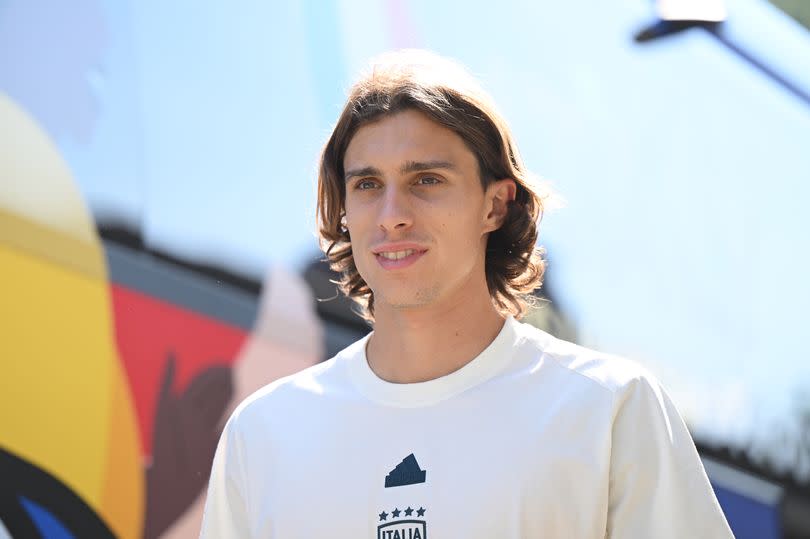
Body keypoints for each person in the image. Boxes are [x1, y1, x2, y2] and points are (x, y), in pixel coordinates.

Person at [200, 50, 733, 538]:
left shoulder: (608, 409)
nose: (393, 215)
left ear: (495, 205)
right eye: (367, 185)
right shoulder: (264, 433)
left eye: (426, 180)